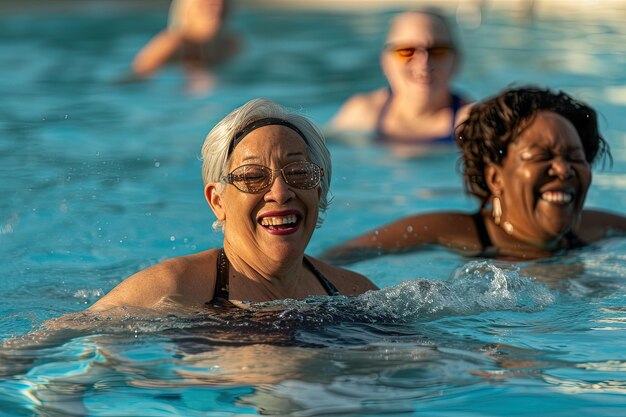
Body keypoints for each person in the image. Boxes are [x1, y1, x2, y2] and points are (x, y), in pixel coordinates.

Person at [88, 98, 377, 312]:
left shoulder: (355, 294)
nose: (280, 192)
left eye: (299, 172)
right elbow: (57, 351)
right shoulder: (172, 290)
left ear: (319, 187)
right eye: (252, 177)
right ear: (218, 201)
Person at [322, 86, 626, 263]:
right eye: (542, 157)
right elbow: (334, 260)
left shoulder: (598, 229)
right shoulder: (453, 232)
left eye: (575, 157)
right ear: (495, 177)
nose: (563, 169)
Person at [330, 10, 470, 147]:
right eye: (406, 51)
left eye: (438, 51)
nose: (423, 63)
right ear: (385, 61)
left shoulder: (471, 123)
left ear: (456, 60)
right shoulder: (363, 114)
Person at [131, 0, 239, 91]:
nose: (217, 3)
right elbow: (136, 77)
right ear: (187, 6)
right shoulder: (173, 43)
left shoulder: (230, 44)